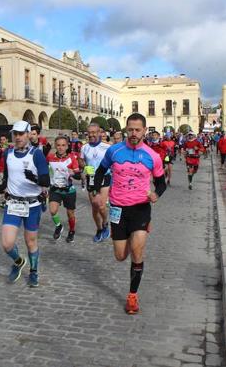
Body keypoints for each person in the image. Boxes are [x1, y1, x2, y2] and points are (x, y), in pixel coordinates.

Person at [89, 113, 166, 314]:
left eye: (137, 130)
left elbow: (161, 182)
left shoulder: (153, 156)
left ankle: (132, 296)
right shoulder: (114, 151)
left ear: (144, 131)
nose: (133, 133)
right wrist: (97, 192)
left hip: (141, 208)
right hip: (118, 209)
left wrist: (156, 194)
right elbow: (99, 172)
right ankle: (130, 244)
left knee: (137, 251)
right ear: (126, 130)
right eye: (130, 129)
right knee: (120, 256)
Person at [0, 121, 50, 288]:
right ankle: (19, 261)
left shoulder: (37, 154)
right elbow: (6, 174)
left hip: (32, 204)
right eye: (15, 134)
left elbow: (46, 180)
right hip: (12, 203)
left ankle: (34, 271)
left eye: (21, 134)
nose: (18, 137)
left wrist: (34, 178)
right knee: (7, 244)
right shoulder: (8, 153)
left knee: (30, 241)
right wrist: (3, 185)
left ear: (28, 134)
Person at [79, 123, 112, 243]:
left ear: (99, 133)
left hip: (104, 177)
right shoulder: (84, 147)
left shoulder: (107, 147)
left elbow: (113, 162)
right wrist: (84, 166)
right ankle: (99, 229)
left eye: (94, 132)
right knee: (94, 206)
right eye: (89, 133)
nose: (91, 135)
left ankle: (105, 223)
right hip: (91, 178)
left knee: (102, 205)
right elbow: (81, 161)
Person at [47, 136, 81, 243]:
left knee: (70, 213)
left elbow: (78, 176)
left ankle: (71, 231)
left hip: (68, 190)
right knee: (52, 210)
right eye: (58, 145)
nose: (61, 147)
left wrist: (73, 173)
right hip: (55, 189)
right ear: (55, 146)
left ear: (67, 146)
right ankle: (58, 226)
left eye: (63, 145)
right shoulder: (50, 157)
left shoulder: (72, 158)